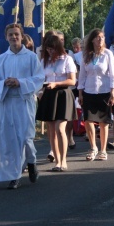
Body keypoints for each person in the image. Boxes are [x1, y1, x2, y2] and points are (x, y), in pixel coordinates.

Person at [0, 23, 44, 189]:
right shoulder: (1, 59)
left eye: (16, 34)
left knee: (26, 138)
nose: (13, 37)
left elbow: (39, 78)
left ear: (22, 36)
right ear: (6, 37)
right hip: (7, 102)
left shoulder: (31, 57)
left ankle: (32, 161)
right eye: (10, 35)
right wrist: (4, 83)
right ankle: (15, 175)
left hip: (23, 102)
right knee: (11, 140)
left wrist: (20, 82)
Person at [35, 34, 76, 172]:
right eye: (48, 49)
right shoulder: (44, 61)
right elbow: (40, 79)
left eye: (53, 49)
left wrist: (56, 84)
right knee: (51, 131)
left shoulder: (67, 59)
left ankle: (64, 161)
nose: (50, 51)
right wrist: (39, 91)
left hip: (63, 94)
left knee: (60, 128)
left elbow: (72, 81)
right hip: (48, 95)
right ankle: (57, 161)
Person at [77, 29, 114, 161]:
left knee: (103, 122)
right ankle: (93, 147)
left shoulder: (108, 54)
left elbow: (113, 75)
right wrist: (80, 93)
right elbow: (82, 75)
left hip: (104, 91)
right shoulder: (86, 55)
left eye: (102, 37)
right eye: (97, 38)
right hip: (89, 91)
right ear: (92, 40)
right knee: (88, 120)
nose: (100, 40)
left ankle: (103, 150)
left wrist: (113, 92)